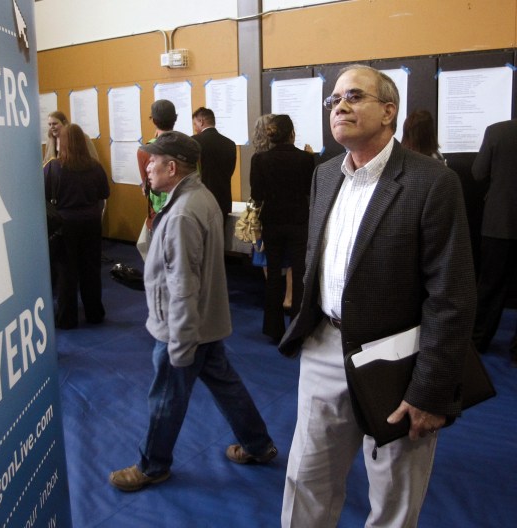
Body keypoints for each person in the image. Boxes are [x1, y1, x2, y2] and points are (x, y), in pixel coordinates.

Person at [279, 65, 476, 527]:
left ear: (389, 111)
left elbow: (452, 295)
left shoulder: (432, 182)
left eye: (354, 96)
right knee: (306, 479)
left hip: (399, 360)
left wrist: (430, 390)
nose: (340, 106)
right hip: (325, 346)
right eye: (333, 100)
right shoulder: (324, 175)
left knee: (393, 495)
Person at [109, 131, 276, 492]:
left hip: (183, 328)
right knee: (227, 387)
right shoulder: (198, 198)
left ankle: (153, 466)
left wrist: (180, 344)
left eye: (153, 161)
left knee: (166, 399)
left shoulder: (183, 213)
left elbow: (183, 286)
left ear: (172, 167)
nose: (147, 167)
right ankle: (259, 446)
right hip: (206, 323)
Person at [250, 114, 314, 343]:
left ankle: (273, 328)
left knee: (273, 274)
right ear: (292, 134)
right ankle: (297, 325)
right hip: (298, 222)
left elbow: (256, 195)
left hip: (272, 222)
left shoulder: (259, 160)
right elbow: (311, 192)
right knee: (298, 275)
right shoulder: (306, 160)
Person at [44, 124, 109, 329]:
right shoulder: (95, 166)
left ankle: (67, 318)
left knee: (66, 273)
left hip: (64, 226)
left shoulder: (53, 168)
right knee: (91, 269)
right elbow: (104, 194)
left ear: (62, 142)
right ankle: (94, 313)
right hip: (91, 223)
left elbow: (44, 196)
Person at [471, 118, 517, 365]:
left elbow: (478, 172)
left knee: (490, 286)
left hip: (499, 221)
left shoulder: (497, 131)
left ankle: (478, 343)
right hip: (500, 221)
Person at [135, 100, 177, 260]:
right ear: (175, 118)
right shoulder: (189, 146)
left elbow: (146, 186)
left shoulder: (145, 151)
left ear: (153, 120)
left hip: (158, 215)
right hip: (184, 212)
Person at [192, 107, 237, 219]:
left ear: (201, 122)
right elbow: (230, 171)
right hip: (224, 199)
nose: (195, 128)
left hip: (201, 200)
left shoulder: (193, 142)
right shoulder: (230, 144)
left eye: (195, 124)